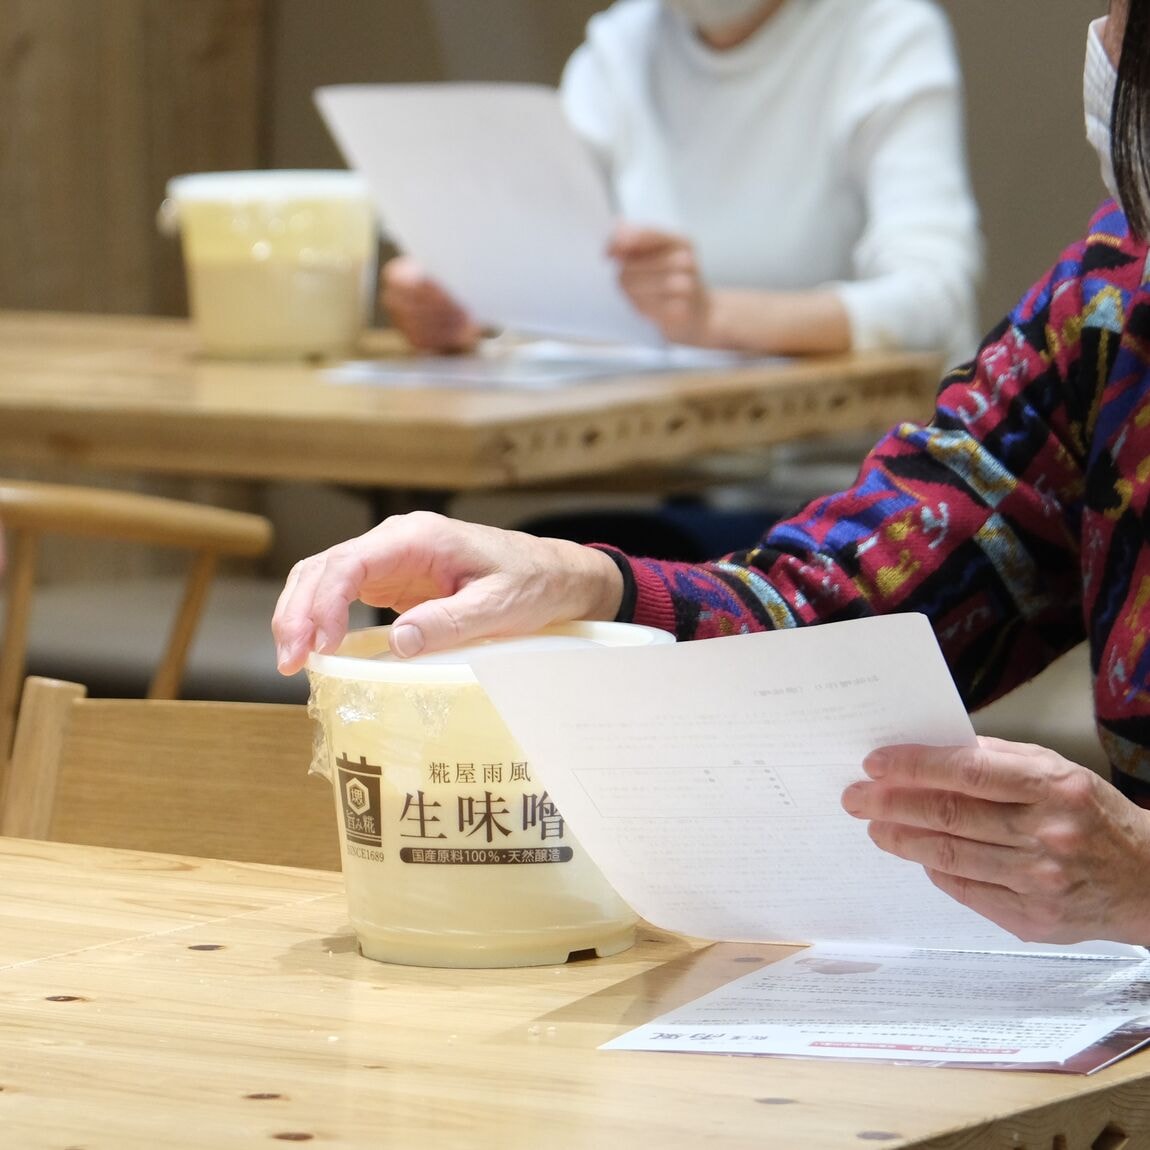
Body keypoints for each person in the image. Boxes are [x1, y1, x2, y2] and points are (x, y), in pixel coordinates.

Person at [276, 0, 1150, 948]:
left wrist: (1140, 874)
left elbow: (922, 292)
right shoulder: (1109, 306)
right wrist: (579, 579)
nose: (1099, 36)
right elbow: (843, 603)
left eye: (1115, 8)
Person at [383, 0, 982, 367]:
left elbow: (934, 296)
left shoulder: (885, 33)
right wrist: (469, 298)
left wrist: (713, 319)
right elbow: (546, 242)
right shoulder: (623, 43)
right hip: (670, 477)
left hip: (844, 503)